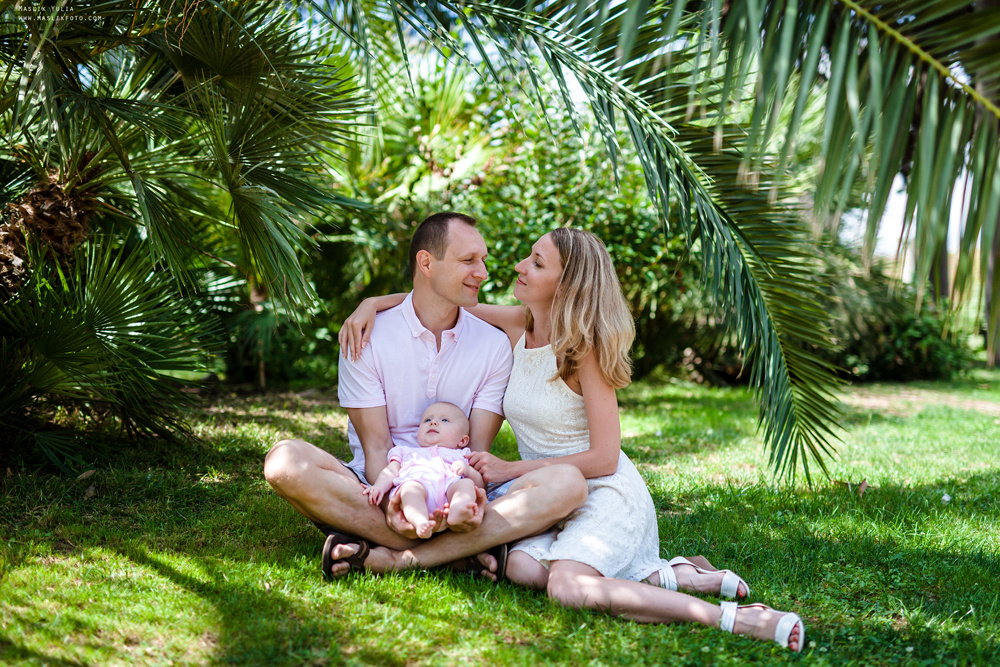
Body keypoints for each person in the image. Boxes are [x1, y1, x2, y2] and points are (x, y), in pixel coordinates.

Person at [338, 228, 805, 651]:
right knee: (519, 568)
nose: (519, 265)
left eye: (537, 263)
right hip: (547, 492)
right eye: (529, 256)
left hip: (602, 489)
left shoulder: (585, 350)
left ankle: (732, 618)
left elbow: (605, 457)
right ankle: (668, 574)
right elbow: (438, 296)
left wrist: (511, 470)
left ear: (565, 286)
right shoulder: (518, 324)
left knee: (566, 587)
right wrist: (371, 304)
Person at [263, 212, 588, 582]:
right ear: (427, 263)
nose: (483, 273)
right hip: (380, 483)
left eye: (482, 260)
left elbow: (474, 452)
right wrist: (395, 502)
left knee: (568, 483)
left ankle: (396, 554)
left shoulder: (494, 345)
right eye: (469, 261)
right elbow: (376, 448)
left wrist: (465, 498)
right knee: (284, 462)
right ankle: (461, 553)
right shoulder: (365, 335)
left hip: (458, 487)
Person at [364, 402, 484, 538]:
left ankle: (459, 511)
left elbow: (479, 485)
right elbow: (391, 471)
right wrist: (379, 486)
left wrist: (468, 471)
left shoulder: (463, 455)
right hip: (419, 489)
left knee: (466, 484)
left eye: (444, 420)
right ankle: (420, 521)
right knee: (410, 488)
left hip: (449, 493)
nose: (433, 422)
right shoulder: (405, 452)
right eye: (427, 420)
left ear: (462, 441)